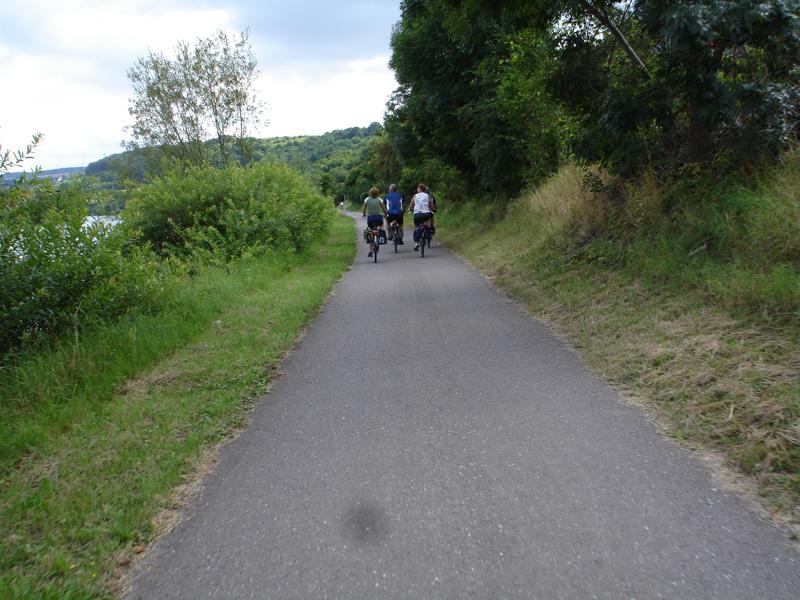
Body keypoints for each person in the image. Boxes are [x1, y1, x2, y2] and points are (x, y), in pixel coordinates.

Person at [408, 183, 435, 251]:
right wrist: (432, 209)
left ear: (420, 189)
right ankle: (428, 236)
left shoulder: (415, 196)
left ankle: (417, 243)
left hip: (417, 215)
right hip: (426, 214)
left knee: (417, 226)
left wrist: (410, 209)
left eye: (417, 188)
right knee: (428, 223)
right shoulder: (428, 196)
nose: (417, 189)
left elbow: (411, 206)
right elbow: (431, 206)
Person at [362, 187, 387, 258]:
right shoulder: (379, 200)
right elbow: (384, 209)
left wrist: (364, 214)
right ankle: (379, 233)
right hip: (378, 217)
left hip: (370, 218)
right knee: (381, 226)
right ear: (377, 193)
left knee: (370, 231)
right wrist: (386, 215)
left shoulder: (367, 200)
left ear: (370, 193)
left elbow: (364, 209)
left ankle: (370, 250)